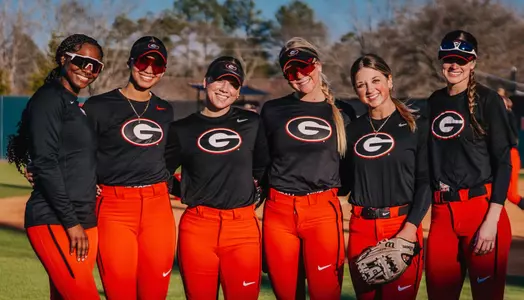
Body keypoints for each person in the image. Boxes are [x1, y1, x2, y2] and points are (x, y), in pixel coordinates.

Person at [25, 36, 177, 299]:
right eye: (143, 61)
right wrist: (34, 162)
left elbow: (168, 158)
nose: (149, 69)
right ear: (131, 62)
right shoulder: (95, 106)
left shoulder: (165, 110)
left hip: (155, 206)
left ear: (163, 71)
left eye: (157, 66)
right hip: (112, 207)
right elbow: (61, 148)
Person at [6, 34, 104, 299]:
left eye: (95, 65)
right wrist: (71, 224)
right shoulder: (49, 99)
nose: (88, 69)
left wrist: (90, 180)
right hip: (56, 219)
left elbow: (76, 156)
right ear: (64, 58)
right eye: (82, 61)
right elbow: (46, 161)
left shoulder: (75, 105)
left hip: (85, 217)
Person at [164, 56, 270, 299]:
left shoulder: (252, 123)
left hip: (242, 228)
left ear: (238, 91)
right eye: (219, 81)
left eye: (233, 84)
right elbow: (162, 172)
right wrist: (188, 191)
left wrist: (257, 195)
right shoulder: (182, 129)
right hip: (198, 228)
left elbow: (263, 168)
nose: (225, 89)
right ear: (205, 82)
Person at [260, 37, 356, 300]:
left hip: (322, 212)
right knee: (286, 294)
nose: (299, 75)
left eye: (304, 66)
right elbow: (262, 162)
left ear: (318, 65)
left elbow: (350, 165)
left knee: (325, 294)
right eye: (291, 70)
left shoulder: (343, 112)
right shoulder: (272, 110)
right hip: (278, 213)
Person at [425, 30, 514, 300]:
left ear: (473, 63)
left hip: (481, 211)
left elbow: (503, 163)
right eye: (449, 59)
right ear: (441, 61)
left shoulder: (489, 100)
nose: (455, 65)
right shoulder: (434, 101)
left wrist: (491, 221)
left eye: (462, 60)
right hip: (442, 213)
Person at [342, 53, 430, 300]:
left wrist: (409, 229)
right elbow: (343, 182)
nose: (370, 89)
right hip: (361, 229)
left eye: (376, 80)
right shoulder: (352, 131)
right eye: (361, 85)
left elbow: (425, 182)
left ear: (390, 81)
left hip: (401, 226)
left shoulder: (414, 126)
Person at [497, 88, 524, 209]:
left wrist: (505, 108)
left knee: (512, 195)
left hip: (510, 156)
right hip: (500, 157)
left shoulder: (509, 117)